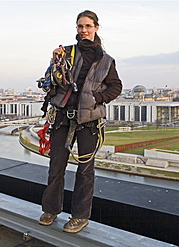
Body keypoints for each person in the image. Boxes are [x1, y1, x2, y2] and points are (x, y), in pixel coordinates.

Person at [39, 10, 122, 233]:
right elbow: (52, 80)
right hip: (63, 117)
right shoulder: (66, 52)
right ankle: (51, 209)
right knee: (56, 166)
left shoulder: (105, 60)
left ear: (96, 27)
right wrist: (55, 60)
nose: (83, 30)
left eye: (88, 26)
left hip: (88, 121)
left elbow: (116, 86)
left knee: (85, 170)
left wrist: (97, 98)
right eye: (80, 26)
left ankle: (80, 216)